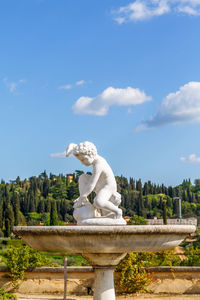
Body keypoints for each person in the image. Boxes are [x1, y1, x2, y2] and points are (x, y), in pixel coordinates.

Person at [66, 141, 122, 219]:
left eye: (83, 159)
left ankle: (117, 211)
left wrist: (82, 196)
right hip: (100, 184)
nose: (82, 163)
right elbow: (75, 146)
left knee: (98, 202)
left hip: (108, 187)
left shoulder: (99, 165)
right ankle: (85, 201)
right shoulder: (95, 160)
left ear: (90, 154)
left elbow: (91, 185)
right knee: (83, 177)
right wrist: (71, 148)